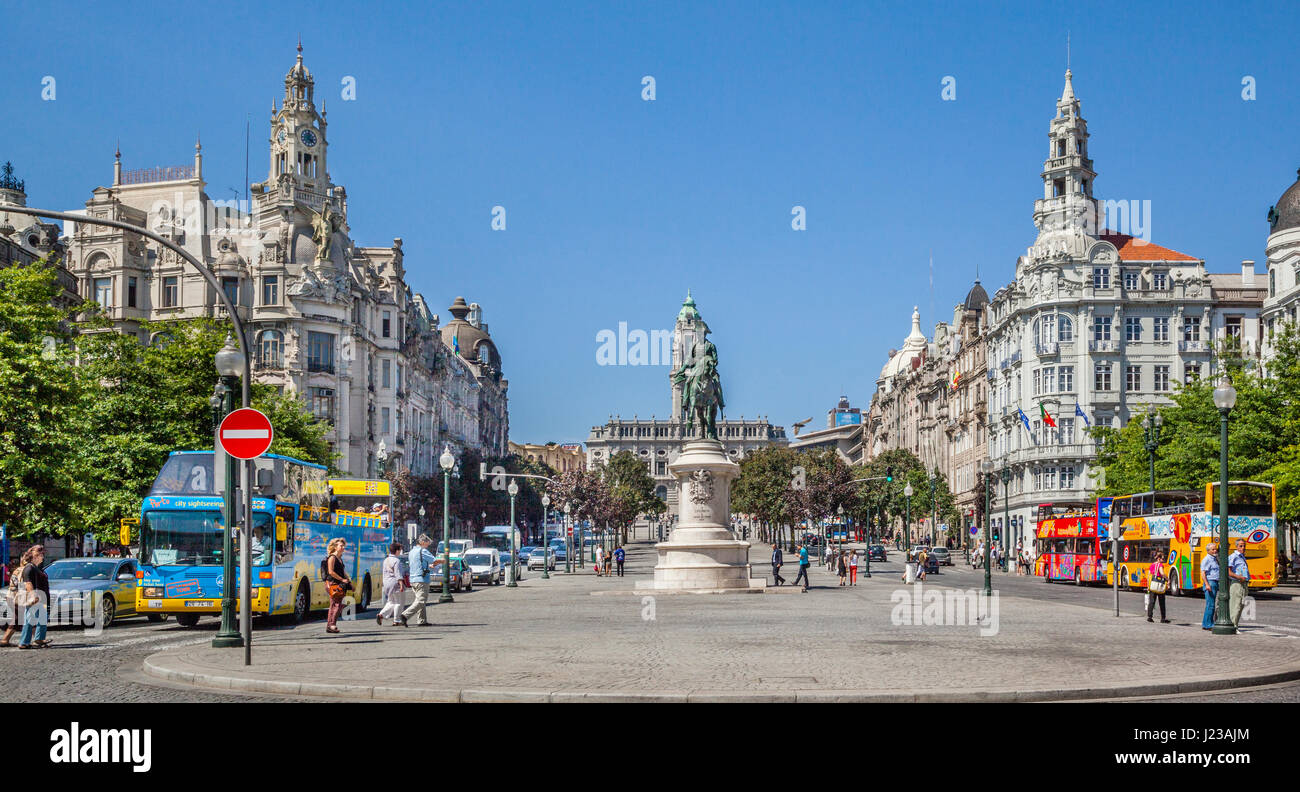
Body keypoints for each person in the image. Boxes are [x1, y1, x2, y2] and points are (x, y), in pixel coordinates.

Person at [1, 548, 38, 648]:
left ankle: (5, 639)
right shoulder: (26, 570)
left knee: (20, 619)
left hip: (11, 596)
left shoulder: (17, 569)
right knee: (27, 618)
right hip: (18, 597)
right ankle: (38, 639)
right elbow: (24, 585)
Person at [17, 546, 51, 649]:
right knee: (30, 620)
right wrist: (33, 596)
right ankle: (24, 642)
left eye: (42, 554)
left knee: (42, 619)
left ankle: (39, 639)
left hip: (42, 597)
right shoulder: (29, 567)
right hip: (36, 597)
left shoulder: (36, 568)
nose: (42, 557)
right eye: (39, 554)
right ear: (32, 555)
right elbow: (28, 583)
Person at [400, 535, 437, 627]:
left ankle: (422, 620)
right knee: (421, 600)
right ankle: (405, 615)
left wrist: (428, 566)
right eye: (427, 544)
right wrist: (444, 560)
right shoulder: (422, 551)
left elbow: (417, 565)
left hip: (413, 579)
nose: (427, 546)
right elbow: (434, 560)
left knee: (419, 600)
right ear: (423, 543)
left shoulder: (412, 552)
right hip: (421, 579)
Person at [322, 538, 351, 634]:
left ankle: (330, 625)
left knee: (335, 604)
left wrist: (349, 582)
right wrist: (342, 579)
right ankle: (332, 624)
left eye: (343, 546)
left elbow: (343, 572)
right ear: (335, 547)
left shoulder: (339, 558)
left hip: (339, 584)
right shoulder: (332, 558)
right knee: (337, 604)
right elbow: (330, 572)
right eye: (340, 546)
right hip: (332, 584)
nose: (343, 548)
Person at [377, 542, 405, 626]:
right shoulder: (397, 561)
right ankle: (396, 620)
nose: (400, 551)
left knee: (391, 601)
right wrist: (401, 584)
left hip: (386, 583)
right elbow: (398, 573)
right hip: (394, 583)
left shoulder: (386, 560)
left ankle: (381, 614)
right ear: (396, 551)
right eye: (400, 550)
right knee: (399, 602)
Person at [1228, 539, 1251, 627]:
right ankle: (1233, 625)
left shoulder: (1242, 557)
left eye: (1244, 546)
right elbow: (1228, 571)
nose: (1243, 547)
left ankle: (1235, 624)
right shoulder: (1233, 556)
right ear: (1236, 546)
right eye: (1241, 546)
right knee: (1236, 605)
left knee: (1241, 604)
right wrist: (1239, 577)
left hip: (1243, 583)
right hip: (1237, 583)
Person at [1146, 550, 1170, 623]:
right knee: (1161, 602)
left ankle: (1149, 617)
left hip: (1152, 585)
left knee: (1152, 601)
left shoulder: (1152, 565)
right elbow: (1162, 573)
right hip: (1159, 585)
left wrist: (1148, 585)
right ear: (1158, 559)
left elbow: (1149, 575)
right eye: (1162, 559)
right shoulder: (1160, 565)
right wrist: (1168, 579)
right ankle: (1163, 618)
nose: (1163, 560)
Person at [1200, 542, 1220, 630]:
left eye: (1216, 549)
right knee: (1210, 605)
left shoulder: (1215, 559)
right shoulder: (1207, 559)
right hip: (1211, 582)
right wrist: (1207, 584)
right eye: (1213, 549)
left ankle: (1206, 623)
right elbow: (1203, 573)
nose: (1215, 550)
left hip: (1215, 582)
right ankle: (1208, 624)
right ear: (1208, 551)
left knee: (1211, 604)